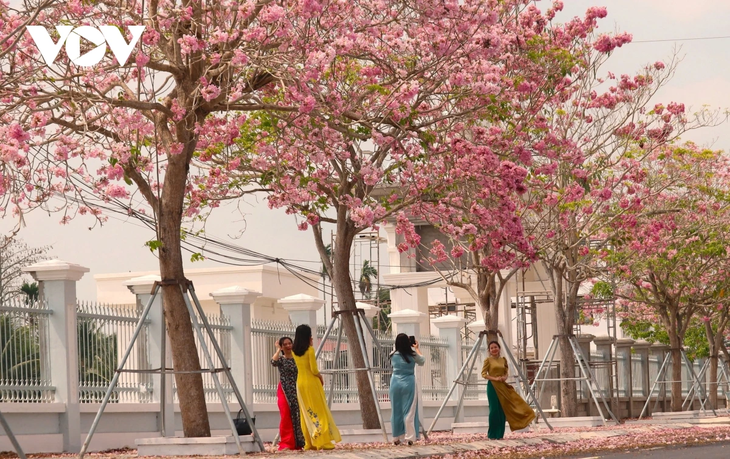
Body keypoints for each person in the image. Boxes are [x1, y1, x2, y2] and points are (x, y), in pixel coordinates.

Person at [292, 324, 341, 450]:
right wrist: (320, 376)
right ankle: (322, 441)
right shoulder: (310, 350)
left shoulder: (293, 350)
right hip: (311, 383)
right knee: (319, 411)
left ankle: (309, 442)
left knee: (305, 413)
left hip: (300, 383)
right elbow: (314, 369)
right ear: (308, 336)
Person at [481, 340, 535, 439]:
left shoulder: (503, 360)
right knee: (494, 410)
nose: (494, 349)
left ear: (499, 348)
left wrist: (504, 377)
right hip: (493, 386)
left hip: (502, 386)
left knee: (502, 409)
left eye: (495, 347)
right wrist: (495, 378)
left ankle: (500, 434)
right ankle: (492, 434)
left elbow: (506, 372)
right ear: (489, 350)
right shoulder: (488, 361)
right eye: (492, 348)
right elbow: (484, 374)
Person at [389, 333, 426, 446]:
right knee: (409, 411)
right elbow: (422, 361)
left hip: (395, 383)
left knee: (396, 410)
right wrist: (416, 348)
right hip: (408, 383)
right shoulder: (412, 354)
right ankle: (409, 437)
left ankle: (396, 438)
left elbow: (397, 351)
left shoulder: (392, 354)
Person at [270, 336, 305, 450]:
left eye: (290, 343)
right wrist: (278, 350)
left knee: (296, 416)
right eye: (285, 344)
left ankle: (298, 443)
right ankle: (286, 443)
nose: (288, 346)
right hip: (284, 390)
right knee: (285, 414)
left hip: (296, 389)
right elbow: (273, 362)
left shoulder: (297, 358)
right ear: (282, 346)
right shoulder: (281, 359)